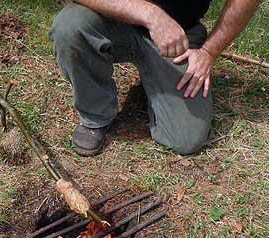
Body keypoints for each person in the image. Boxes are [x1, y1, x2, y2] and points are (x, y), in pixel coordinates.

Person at [48, 0, 260, 156]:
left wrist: (208, 52)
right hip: (110, 17)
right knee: (70, 27)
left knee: (185, 139)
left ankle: (154, 85)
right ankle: (95, 115)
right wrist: (150, 14)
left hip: (179, 33)